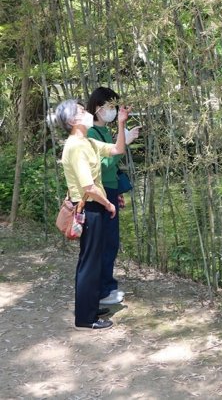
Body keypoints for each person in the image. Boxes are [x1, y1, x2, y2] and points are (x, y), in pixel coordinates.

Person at [55, 99, 128, 329]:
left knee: (92, 261)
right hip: (89, 208)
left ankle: (89, 307)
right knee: (89, 262)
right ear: (71, 121)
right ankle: (86, 319)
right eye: (82, 111)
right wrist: (108, 204)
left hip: (94, 208)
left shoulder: (87, 142)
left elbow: (117, 150)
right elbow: (88, 187)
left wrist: (121, 124)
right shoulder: (75, 146)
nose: (87, 113)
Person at [86, 87, 141, 305]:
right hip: (99, 192)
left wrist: (117, 192)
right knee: (103, 242)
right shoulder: (90, 133)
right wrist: (123, 143)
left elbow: (112, 168)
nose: (112, 111)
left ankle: (107, 286)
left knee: (111, 241)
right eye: (109, 107)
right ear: (97, 108)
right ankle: (100, 291)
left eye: (114, 107)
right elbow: (105, 166)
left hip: (110, 189)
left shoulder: (106, 131)